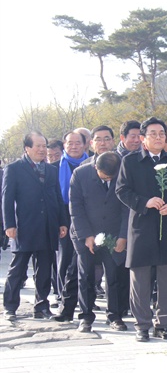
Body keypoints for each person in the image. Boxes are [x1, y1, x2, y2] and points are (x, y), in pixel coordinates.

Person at [115, 117, 167, 342]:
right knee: (140, 279)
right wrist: (144, 202)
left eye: (162, 134)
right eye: (153, 134)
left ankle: (164, 325)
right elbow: (122, 191)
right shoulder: (130, 161)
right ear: (143, 139)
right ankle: (142, 325)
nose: (158, 138)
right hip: (142, 226)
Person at [2, 132, 68, 321]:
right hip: (24, 225)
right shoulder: (14, 168)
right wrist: (9, 224)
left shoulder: (51, 170)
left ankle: (41, 306)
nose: (42, 149)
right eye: (38, 146)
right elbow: (7, 198)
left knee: (45, 269)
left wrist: (62, 222)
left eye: (44, 146)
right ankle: (10, 306)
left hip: (48, 225)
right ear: (27, 148)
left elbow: (57, 196)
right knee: (18, 268)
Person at [67, 152, 129, 332]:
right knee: (86, 276)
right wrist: (86, 235)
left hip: (113, 233)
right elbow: (75, 207)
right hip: (86, 232)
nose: (109, 179)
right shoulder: (80, 174)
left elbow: (127, 207)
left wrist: (123, 236)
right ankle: (86, 317)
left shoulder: (123, 173)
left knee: (114, 276)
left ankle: (115, 316)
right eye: (105, 176)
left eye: (112, 177)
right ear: (96, 168)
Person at [53, 131, 89, 320]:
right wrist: (60, 221)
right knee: (65, 261)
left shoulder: (92, 164)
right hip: (64, 218)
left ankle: (85, 305)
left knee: (81, 265)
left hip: (87, 218)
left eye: (77, 143)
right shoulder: (54, 167)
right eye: (69, 143)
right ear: (64, 146)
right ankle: (63, 299)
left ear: (85, 145)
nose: (73, 146)